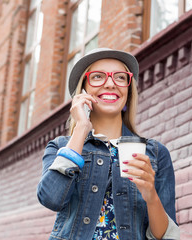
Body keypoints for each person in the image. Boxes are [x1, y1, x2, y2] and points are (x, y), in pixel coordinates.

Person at [37, 48, 179, 240]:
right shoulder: (61, 147)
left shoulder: (155, 153)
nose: (111, 84)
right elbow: (51, 199)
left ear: (128, 92)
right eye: (98, 77)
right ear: (83, 91)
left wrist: (151, 195)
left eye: (120, 77)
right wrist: (81, 127)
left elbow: (165, 236)